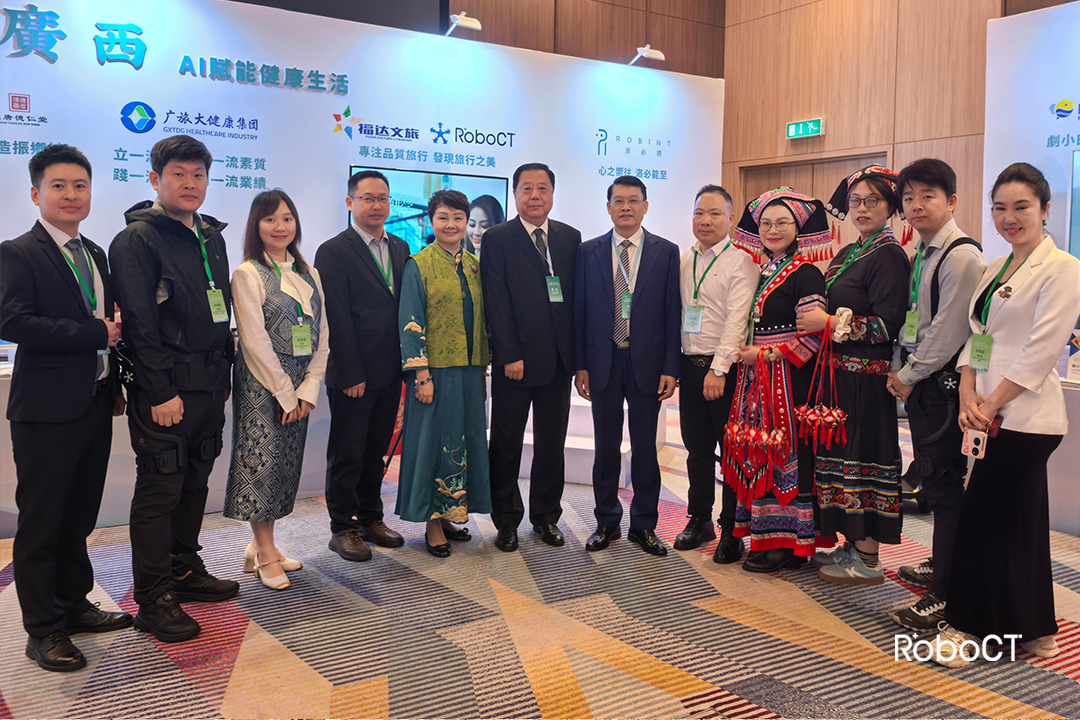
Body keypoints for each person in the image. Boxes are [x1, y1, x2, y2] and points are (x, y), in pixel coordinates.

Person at [933, 163, 1080, 667]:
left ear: (1045, 209)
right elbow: (979, 337)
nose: (1009, 218)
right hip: (986, 408)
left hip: (1025, 419)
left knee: (983, 521)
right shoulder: (996, 266)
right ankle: (1035, 627)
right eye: (1000, 208)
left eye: (1021, 207)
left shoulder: (1063, 267)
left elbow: (1042, 349)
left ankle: (969, 628)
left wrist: (990, 403)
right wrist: (967, 391)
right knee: (1021, 523)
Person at [1, 144, 130, 672]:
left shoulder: (95, 252)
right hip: (45, 410)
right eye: (58, 186)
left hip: (94, 402)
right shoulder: (17, 252)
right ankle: (43, 629)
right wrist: (92, 334)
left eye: (80, 185)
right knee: (42, 523)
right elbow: (12, 322)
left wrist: (113, 383)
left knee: (78, 516)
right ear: (36, 194)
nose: (71, 194)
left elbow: (111, 326)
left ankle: (74, 604)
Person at [110, 135, 239, 644]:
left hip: (209, 385)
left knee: (195, 483)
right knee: (159, 491)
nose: (190, 183)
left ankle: (184, 569)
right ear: (154, 179)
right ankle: (153, 597)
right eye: (178, 174)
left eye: (198, 175)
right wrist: (159, 390)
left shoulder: (211, 237)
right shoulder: (137, 240)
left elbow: (219, 310)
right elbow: (140, 324)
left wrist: (223, 377)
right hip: (166, 390)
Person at [797, 165, 909, 585]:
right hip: (838, 379)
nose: (862, 209)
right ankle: (852, 542)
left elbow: (888, 326)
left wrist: (828, 323)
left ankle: (868, 558)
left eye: (872, 201)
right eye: (855, 201)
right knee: (843, 464)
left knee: (865, 463)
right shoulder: (850, 252)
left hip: (866, 382)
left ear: (890, 206)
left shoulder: (889, 255)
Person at [886, 159, 986, 631]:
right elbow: (913, 319)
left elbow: (947, 332)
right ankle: (941, 564)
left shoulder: (961, 256)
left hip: (942, 386)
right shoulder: (921, 252)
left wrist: (908, 374)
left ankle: (945, 594)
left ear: (952, 201)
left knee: (944, 488)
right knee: (931, 480)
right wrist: (900, 370)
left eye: (928, 196)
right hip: (922, 382)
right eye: (909, 198)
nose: (916, 205)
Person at [223, 190, 329, 590]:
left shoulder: (309, 271)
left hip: (300, 383)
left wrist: (309, 389)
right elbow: (253, 342)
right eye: (270, 219)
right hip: (261, 383)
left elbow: (323, 334)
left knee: (285, 464)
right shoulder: (247, 273)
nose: (280, 226)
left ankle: (261, 545)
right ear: (256, 225)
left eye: (287, 218)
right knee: (260, 465)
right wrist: (285, 393)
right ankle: (265, 552)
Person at [574, 175, 681, 557]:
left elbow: (673, 312)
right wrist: (581, 365)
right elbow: (579, 312)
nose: (625, 207)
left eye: (633, 200)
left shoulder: (666, 252)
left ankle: (644, 524)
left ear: (645, 206)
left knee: (645, 447)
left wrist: (671, 367)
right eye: (618, 201)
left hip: (647, 362)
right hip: (602, 361)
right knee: (605, 447)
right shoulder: (588, 251)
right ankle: (606, 521)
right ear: (608, 207)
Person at [727, 187, 828, 572]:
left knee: (785, 455)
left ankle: (787, 542)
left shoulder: (807, 273)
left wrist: (767, 355)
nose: (772, 230)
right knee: (757, 450)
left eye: (782, 223)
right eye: (766, 223)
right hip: (755, 378)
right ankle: (762, 534)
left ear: (798, 228)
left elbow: (813, 337)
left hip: (787, 380)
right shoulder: (760, 270)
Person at [481, 164, 581, 552]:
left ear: (552, 194)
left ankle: (546, 516)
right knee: (506, 443)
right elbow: (495, 299)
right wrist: (508, 354)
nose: (535, 196)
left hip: (558, 362)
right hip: (516, 363)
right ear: (515, 195)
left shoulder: (569, 237)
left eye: (542, 188)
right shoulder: (497, 238)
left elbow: (576, 302)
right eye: (526, 189)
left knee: (551, 444)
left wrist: (577, 360)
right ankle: (506, 519)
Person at [315, 171, 410, 561]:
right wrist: (352, 373)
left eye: (383, 198)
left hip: (390, 370)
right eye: (368, 198)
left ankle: (371, 517)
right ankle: (343, 527)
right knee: (348, 453)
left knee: (375, 451)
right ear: (350, 202)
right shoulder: (334, 250)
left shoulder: (401, 247)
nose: (377, 205)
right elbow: (336, 315)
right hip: (353, 374)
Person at [397, 189, 492, 557]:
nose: (451, 225)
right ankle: (432, 522)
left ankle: (452, 512)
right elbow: (410, 320)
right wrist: (421, 375)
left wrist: (484, 366)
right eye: (443, 218)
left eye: (457, 218)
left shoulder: (475, 266)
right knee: (432, 444)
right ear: (431, 221)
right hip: (434, 373)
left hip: (469, 370)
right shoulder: (418, 264)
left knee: (463, 442)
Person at [674, 185, 759, 563]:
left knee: (731, 455)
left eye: (714, 214)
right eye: (698, 213)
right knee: (696, 450)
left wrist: (719, 369)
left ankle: (731, 529)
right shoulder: (684, 258)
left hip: (725, 372)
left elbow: (737, 321)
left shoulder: (741, 262)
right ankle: (700, 519)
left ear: (730, 218)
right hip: (689, 366)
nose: (704, 221)